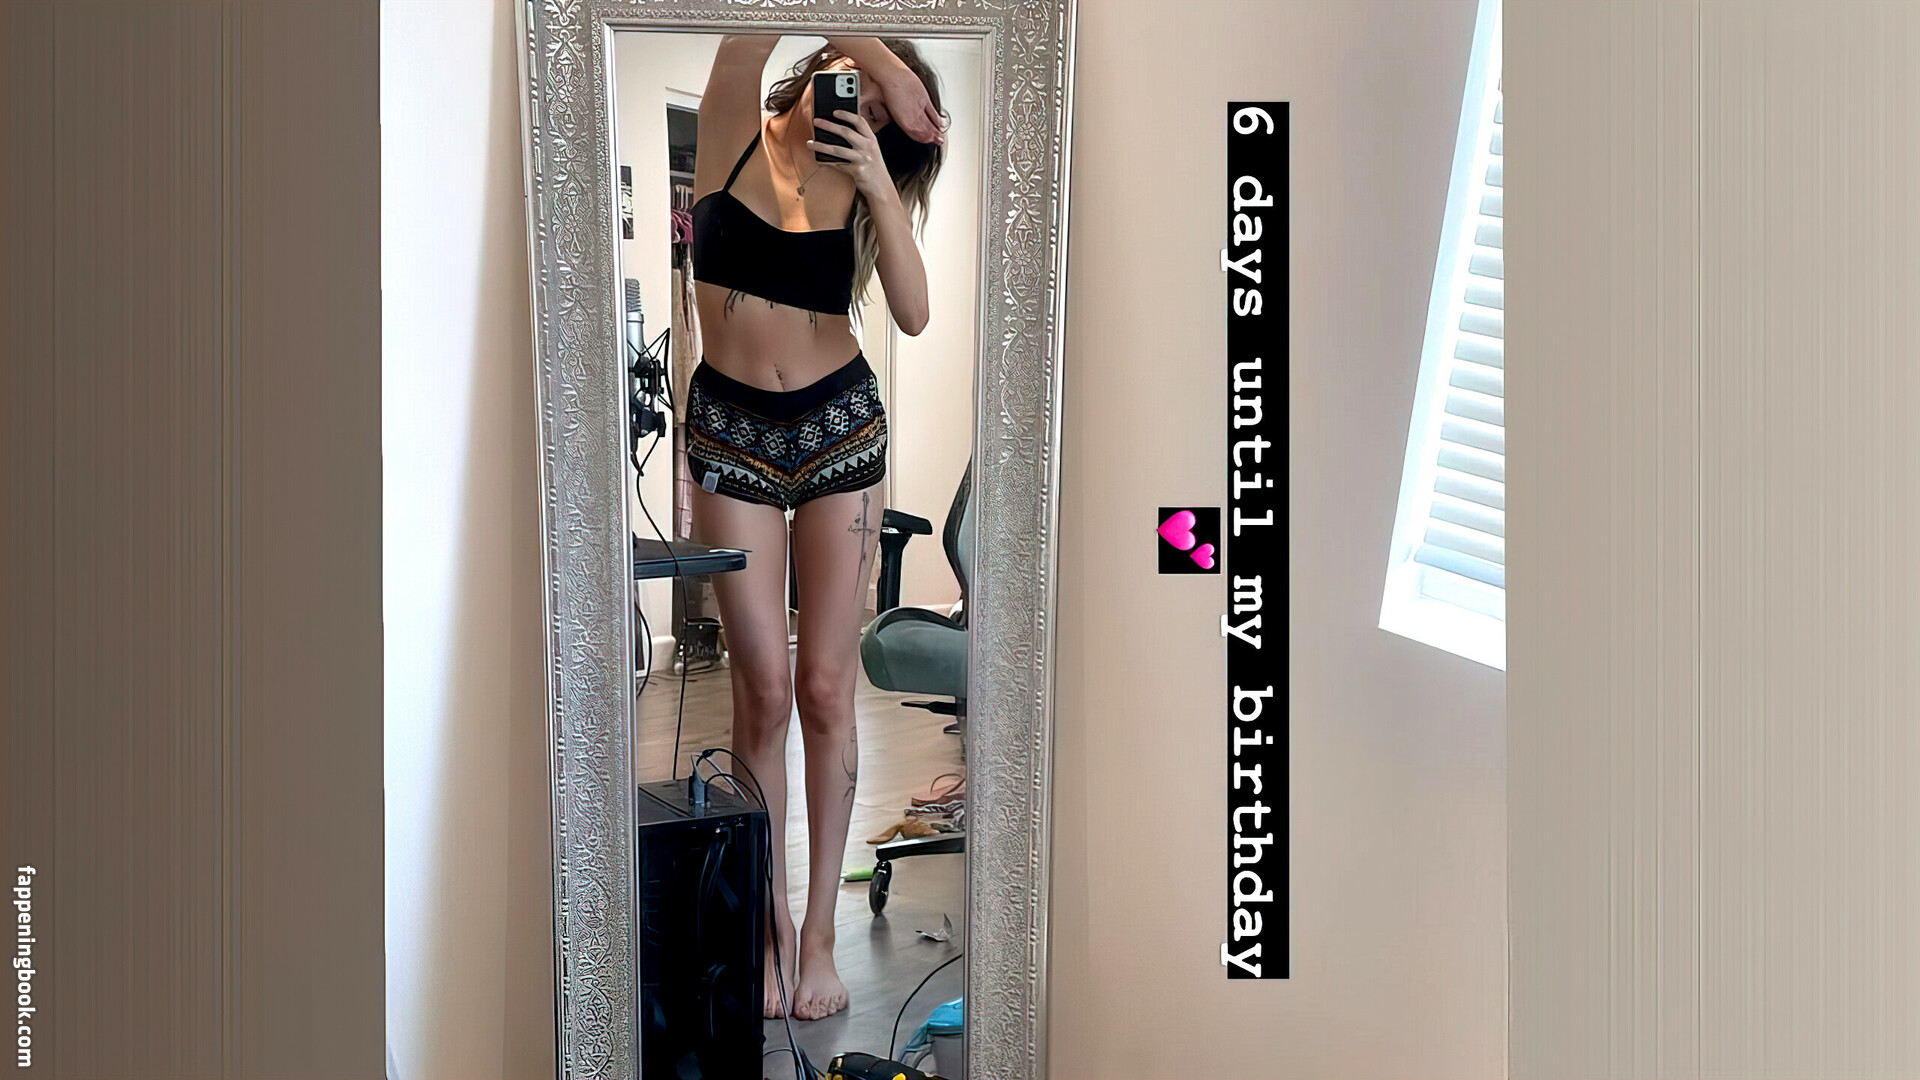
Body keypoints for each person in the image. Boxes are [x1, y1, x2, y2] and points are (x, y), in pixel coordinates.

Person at [684, 34, 948, 1021]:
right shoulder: (732, 122)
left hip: (840, 428)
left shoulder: (859, 180)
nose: (864, 118)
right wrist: (891, 67)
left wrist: (879, 170)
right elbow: (747, 25)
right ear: (838, 54)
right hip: (731, 432)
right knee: (761, 691)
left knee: (827, 690)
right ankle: (771, 930)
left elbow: (913, 313)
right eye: (865, 97)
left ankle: (824, 934)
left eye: (881, 119)